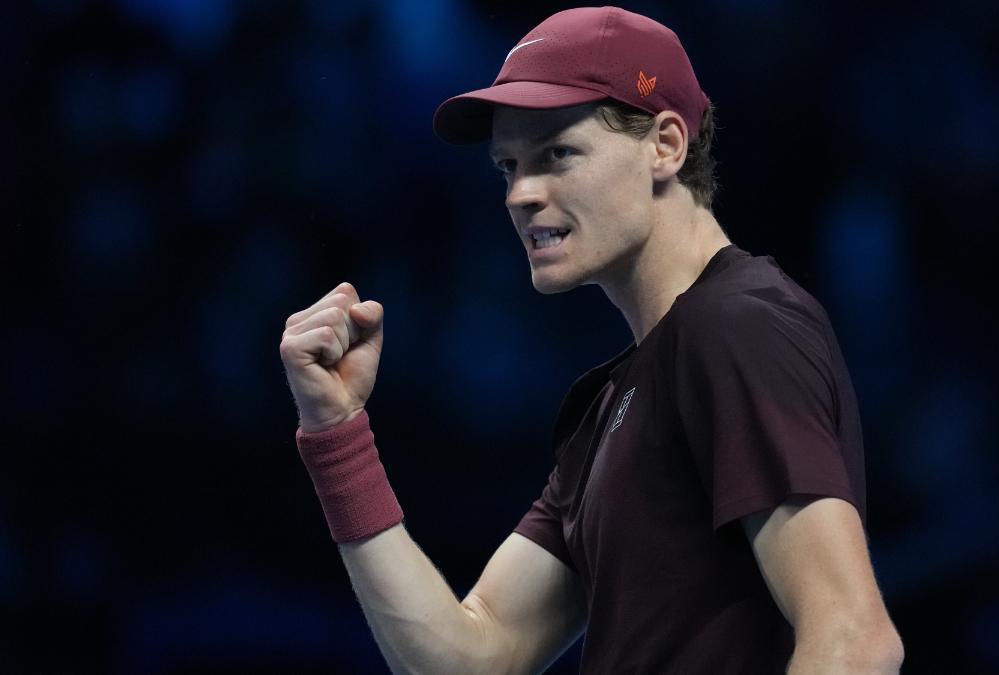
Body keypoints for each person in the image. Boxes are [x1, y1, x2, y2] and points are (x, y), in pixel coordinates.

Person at [279, 6, 903, 674]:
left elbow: (854, 641)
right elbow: (472, 657)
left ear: (666, 145)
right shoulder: (616, 400)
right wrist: (337, 432)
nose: (521, 193)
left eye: (558, 155)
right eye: (509, 167)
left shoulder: (735, 324)